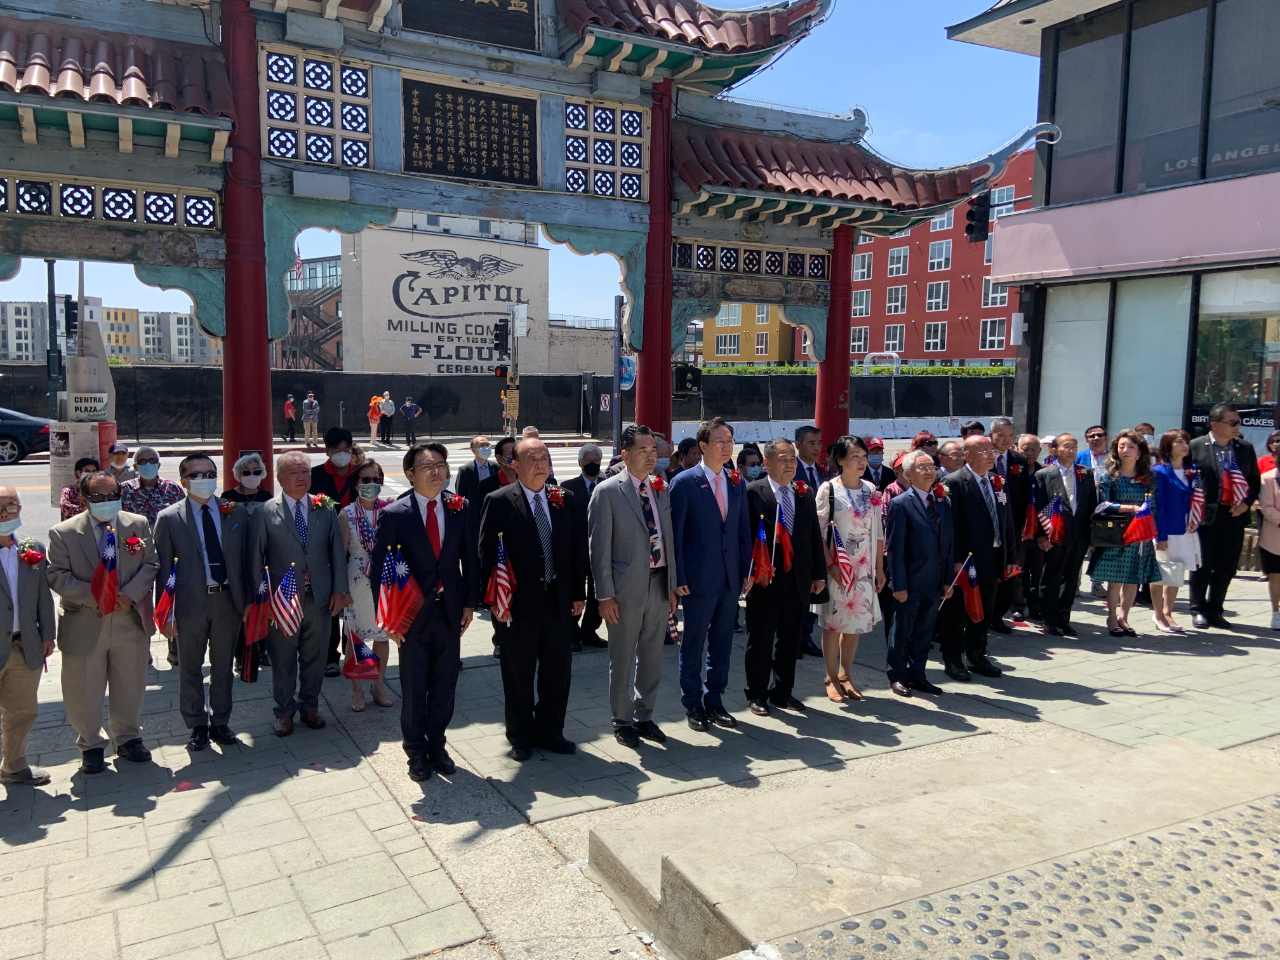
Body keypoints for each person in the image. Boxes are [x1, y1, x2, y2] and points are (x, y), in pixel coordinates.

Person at [372, 443, 479, 780]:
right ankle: (416, 751)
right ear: (410, 474)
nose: (437, 471)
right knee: (415, 686)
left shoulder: (459, 507)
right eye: (428, 466)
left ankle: (438, 745)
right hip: (411, 613)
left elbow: (470, 559)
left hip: (449, 610)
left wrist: (469, 603)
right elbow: (379, 571)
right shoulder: (395, 513)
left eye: (441, 465)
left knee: (445, 684)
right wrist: (388, 619)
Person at [479, 437, 586, 760]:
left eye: (544, 458)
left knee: (558, 672)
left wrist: (578, 594)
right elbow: (486, 554)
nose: (540, 464)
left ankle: (551, 731)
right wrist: (493, 602)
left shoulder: (564, 498)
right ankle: (521, 736)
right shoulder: (499, 501)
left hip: (558, 601)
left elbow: (577, 550)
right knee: (518, 674)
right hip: (517, 605)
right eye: (531, 458)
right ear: (515, 464)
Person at [47, 471, 159, 773]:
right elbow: (57, 575)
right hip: (85, 620)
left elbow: (151, 563)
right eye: (98, 497)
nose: (107, 501)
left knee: (130, 683)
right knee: (83, 689)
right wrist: (98, 597)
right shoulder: (63, 532)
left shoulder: (137, 524)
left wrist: (130, 594)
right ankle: (91, 744)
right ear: (84, 499)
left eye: (113, 496)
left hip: (127, 618)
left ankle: (128, 737)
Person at [249, 451, 351, 736]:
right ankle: (284, 711)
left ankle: (310, 706)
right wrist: (258, 601)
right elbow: (255, 559)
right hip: (282, 599)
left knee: (315, 658)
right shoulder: (265, 512)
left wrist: (340, 590)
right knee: (282, 659)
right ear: (280, 478)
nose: (302, 477)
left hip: (319, 598)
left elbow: (336, 552)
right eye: (294, 472)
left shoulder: (324, 507)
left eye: (305, 471)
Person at [587, 425, 677, 747]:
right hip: (624, 590)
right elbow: (599, 549)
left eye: (653, 451)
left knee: (652, 656)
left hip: (659, 583)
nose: (651, 457)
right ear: (625, 455)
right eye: (643, 451)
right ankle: (621, 719)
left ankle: (644, 716)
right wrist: (605, 596)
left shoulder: (660, 487)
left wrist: (672, 586)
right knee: (622, 657)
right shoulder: (607, 491)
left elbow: (668, 539)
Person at [154, 455, 247, 752]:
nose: (205, 479)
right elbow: (163, 571)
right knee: (190, 668)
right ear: (183, 481)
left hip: (227, 600)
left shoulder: (234, 511)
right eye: (197, 475)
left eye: (210, 473)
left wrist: (248, 602)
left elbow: (246, 559)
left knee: (223, 667)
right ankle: (196, 724)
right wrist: (165, 615)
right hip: (189, 603)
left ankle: (220, 721)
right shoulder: (169, 518)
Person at [669, 417, 751, 731]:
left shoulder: (736, 481)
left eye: (730, 440)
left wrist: (746, 570)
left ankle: (714, 699)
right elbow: (676, 536)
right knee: (693, 643)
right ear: (703, 446)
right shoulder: (684, 482)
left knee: (722, 643)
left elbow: (742, 531)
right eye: (720, 440)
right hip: (698, 579)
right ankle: (692, 703)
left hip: (730, 579)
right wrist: (679, 577)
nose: (727, 446)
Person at [741, 437, 825, 716]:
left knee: (790, 640)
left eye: (792, 459)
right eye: (783, 460)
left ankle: (783, 691)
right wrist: (751, 570)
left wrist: (818, 575)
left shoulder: (804, 492)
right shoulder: (753, 492)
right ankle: (757, 693)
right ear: (766, 463)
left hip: (797, 578)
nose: (789, 465)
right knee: (761, 639)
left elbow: (813, 535)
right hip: (766, 579)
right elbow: (745, 537)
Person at [937, 435, 1016, 682]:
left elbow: (1007, 521)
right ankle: (952, 658)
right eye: (984, 451)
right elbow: (949, 526)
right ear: (967, 456)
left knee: (985, 610)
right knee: (957, 612)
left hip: (993, 557)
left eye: (991, 450)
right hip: (966, 562)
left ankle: (977, 654)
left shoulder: (998, 482)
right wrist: (955, 559)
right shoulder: (954, 482)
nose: (990, 455)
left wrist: (1010, 555)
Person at [814, 436, 883, 702]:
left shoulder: (871, 489)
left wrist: (879, 569)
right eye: (855, 456)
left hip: (864, 567)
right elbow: (819, 533)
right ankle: (830, 677)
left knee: (855, 625)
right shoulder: (829, 490)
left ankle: (846, 675)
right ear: (840, 460)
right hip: (838, 566)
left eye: (863, 456)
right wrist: (830, 566)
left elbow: (878, 532)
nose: (862, 461)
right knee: (834, 624)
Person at [884, 451, 953, 698]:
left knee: (924, 632)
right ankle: (897, 675)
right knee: (902, 630)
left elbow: (949, 543)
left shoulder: (943, 501)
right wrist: (899, 585)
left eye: (931, 466)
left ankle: (918, 674)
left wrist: (948, 580)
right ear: (908, 474)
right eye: (922, 468)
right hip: (910, 581)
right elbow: (895, 549)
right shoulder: (900, 503)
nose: (929, 472)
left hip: (935, 581)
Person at [0, 486, 56, 786]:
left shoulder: (31, 547)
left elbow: (43, 596)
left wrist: (47, 634)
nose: (4, 513)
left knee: (22, 711)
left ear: (20, 509)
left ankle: (13, 765)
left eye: (10, 506)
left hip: (24, 644)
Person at [1189, 403, 1260, 630]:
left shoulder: (1244, 448)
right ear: (1215, 424)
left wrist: (1246, 503)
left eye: (1238, 422)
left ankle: (1215, 610)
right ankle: (1198, 609)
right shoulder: (1195, 446)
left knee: (1226, 566)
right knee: (1201, 565)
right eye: (1233, 422)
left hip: (1234, 515)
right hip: (1205, 515)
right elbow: (1186, 479)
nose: (1237, 426)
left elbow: (1254, 481)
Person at [338, 460, 393, 712]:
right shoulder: (347, 514)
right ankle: (357, 688)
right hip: (358, 581)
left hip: (384, 580)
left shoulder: (390, 510)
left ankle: (378, 685)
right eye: (366, 480)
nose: (371, 484)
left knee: (383, 635)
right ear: (356, 483)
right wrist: (342, 590)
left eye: (376, 480)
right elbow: (340, 555)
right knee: (356, 637)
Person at [1092, 430, 1160, 637]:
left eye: (1131, 446)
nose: (1125, 450)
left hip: (1140, 534)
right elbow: (1103, 505)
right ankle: (1111, 617)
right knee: (1115, 580)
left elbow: (1154, 506)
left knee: (1133, 579)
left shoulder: (1147, 478)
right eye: (1121, 446)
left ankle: (1124, 617)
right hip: (1117, 533)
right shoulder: (1109, 477)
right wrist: (1130, 508)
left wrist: (1151, 527)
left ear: (1139, 451)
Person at [1033, 434, 1097, 637]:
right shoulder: (1044, 474)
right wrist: (1042, 535)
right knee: (1052, 577)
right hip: (1055, 534)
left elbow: (1092, 504)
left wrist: (1092, 535)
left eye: (1074, 446)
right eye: (1066, 446)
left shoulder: (1085, 473)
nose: (1071, 450)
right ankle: (1049, 619)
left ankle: (1064, 618)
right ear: (1054, 450)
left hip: (1079, 534)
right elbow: (1039, 506)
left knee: (1071, 579)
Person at [1150, 430, 1201, 634]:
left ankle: (1168, 611)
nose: (1185, 445)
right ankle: (1158, 614)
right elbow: (1157, 505)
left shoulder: (1192, 470)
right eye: (1179, 442)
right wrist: (1159, 535)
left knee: (1177, 571)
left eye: (1186, 441)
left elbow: (1198, 497)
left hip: (1186, 527)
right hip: (1166, 527)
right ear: (1168, 445)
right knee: (1161, 572)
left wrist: (1197, 518)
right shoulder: (1159, 471)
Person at [987, 417, 1031, 635]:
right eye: (1001, 435)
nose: (1006, 440)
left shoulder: (1018, 460)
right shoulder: (983, 456)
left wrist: (1022, 525)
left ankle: (998, 616)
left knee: (1008, 571)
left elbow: (1023, 495)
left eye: (1010, 436)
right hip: (988, 523)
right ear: (991, 436)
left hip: (1011, 525)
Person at [563, 443, 605, 650]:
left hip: (601, 549)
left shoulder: (609, 485)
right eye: (588, 461)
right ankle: (571, 631)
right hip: (576, 549)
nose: (592, 464)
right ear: (580, 463)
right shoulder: (567, 487)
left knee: (598, 592)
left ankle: (590, 631)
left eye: (596, 460)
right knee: (576, 590)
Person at [1010, 434, 1046, 622]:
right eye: (1025, 449)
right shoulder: (1013, 470)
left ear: (1040, 451)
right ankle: (1017, 606)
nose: (1030, 453)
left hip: (1039, 530)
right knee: (1017, 571)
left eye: (1034, 449)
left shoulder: (1046, 472)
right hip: (1018, 530)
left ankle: (1035, 606)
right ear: (1016, 448)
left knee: (1037, 572)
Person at [120, 447, 185, 527]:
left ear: (158, 465)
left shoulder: (173, 489)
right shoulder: (124, 490)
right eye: (142, 461)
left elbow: (184, 516)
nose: (148, 464)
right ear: (135, 467)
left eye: (152, 460)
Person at [311, 426, 360, 509]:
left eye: (346, 450)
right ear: (327, 452)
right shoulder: (314, 475)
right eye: (337, 451)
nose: (342, 455)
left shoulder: (359, 473)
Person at [1257, 458, 1280, 630]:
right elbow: (1266, 507)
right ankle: (1276, 612)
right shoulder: (1268, 478)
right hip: (1275, 536)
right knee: (1276, 575)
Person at [456, 437, 495, 502]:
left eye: (487, 445)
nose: (486, 448)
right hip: (473, 507)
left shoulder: (497, 467)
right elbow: (460, 495)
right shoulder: (465, 470)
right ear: (473, 450)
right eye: (482, 445)